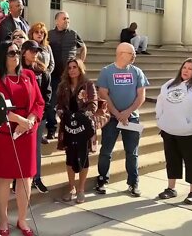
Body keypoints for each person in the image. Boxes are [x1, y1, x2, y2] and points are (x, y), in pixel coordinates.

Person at [0, 41, 44, 235]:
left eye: (18, 52)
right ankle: (3, 221)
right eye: (12, 53)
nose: (16, 55)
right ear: (3, 55)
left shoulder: (29, 75)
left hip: (26, 133)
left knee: (25, 178)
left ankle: (22, 219)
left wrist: (30, 119)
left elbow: (39, 102)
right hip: (4, 134)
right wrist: (17, 119)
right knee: (3, 179)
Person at [95, 42, 149, 197]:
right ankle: (102, 180)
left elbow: (141, 96)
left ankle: (133, 183)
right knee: (106, 151)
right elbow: (103, 94)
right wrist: (117, 113)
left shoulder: (137, 72)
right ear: (121, 54)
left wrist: (126, 113)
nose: (134, 56)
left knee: (132, 152)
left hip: (131, 119)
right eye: (132, 53)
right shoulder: (106, 72)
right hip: (111, 119)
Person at [156, 57, 192, 205]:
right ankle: (171, 188)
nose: (186, 71)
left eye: (190, 69)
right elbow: (160, 102)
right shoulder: (170, 84)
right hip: (169, 130)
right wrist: (160, 119)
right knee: (172, 160)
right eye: (184, 67)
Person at [56, 58, 97, 204]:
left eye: (75, 67)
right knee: (70, 157)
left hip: (84, 127)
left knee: (83, 157)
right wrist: (63, 114)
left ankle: (81, 190)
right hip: (68, 127)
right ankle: (71, 188)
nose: (72, 70)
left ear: (80, 69)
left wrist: (80, 116)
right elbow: (59, 105)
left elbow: (93, 105)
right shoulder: (63, 86)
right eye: (70, 67)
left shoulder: (88, 85)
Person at [46, 11, 86, 141]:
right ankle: (51, 129)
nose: (67, 21)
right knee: (51, 104)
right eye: (64, 18)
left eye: (68, 18)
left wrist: (80, 62)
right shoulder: (49, 34)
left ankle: (69, 130)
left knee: (70, 104)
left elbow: (83, 47)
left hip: (70, 76)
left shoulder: (73, 34)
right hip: (53, 74)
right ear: (56, 21)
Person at [21, 40, 51, 194]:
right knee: (20, 148)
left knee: (35, 148)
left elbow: (47, 95)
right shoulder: (17, 69)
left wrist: (39, 113)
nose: (35, 54)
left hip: (38, 116)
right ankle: (17, 179)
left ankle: (36, 178)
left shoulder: (42, 71)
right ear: (24, 51)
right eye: (32, 50)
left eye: (36, 51)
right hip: (19, 117)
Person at [28, 22, 55, 144]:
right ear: (32, 33)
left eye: (42, 33)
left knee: (44, 106)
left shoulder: (47, 47)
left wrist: (46, 74)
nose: (39, 34)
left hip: (44, 80)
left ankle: (40, 134)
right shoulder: (29, 47)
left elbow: (52, 63)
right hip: (31, 79)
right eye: (37, 32)